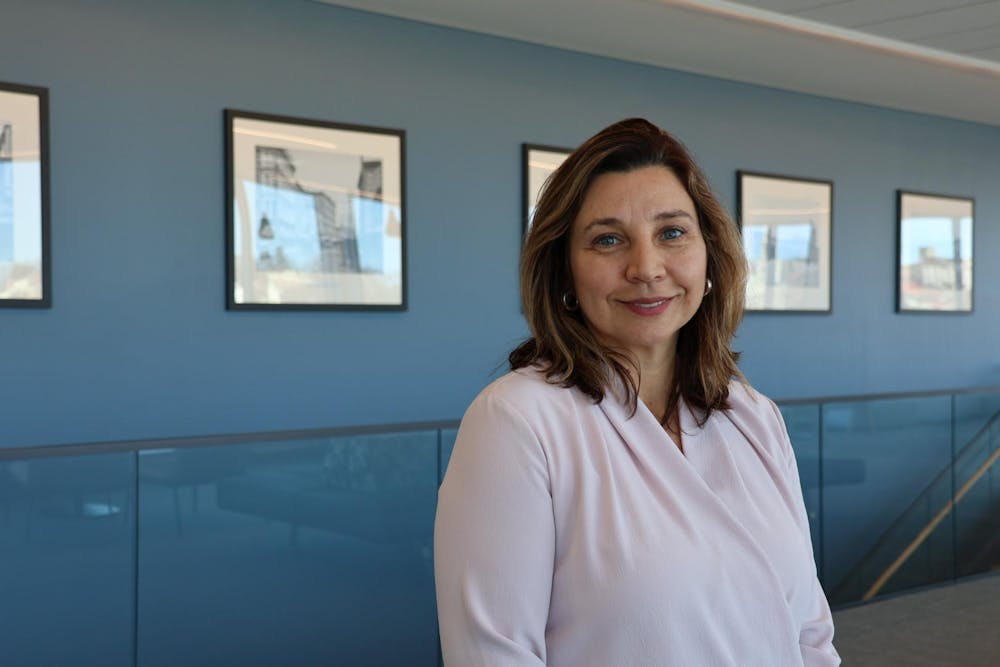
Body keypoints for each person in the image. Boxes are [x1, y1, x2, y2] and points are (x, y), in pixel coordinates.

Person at [434, 118, 839, 666]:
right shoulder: (518, 420)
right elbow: (493, 655)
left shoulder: (753, 415)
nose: (646, 268)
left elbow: (811, 634)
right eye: (608, 240)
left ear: (709, 255)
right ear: (564, 273)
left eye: (672, 232)